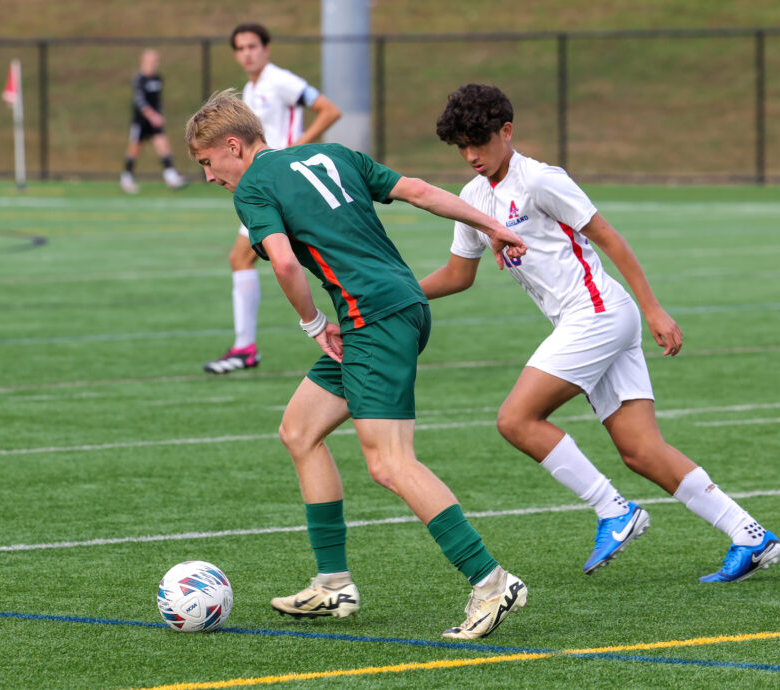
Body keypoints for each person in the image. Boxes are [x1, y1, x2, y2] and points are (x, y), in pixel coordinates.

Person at [185, 90, 528, 639]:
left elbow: (284, 263)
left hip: (372, 319)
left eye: (207, 163)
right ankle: (332, 585)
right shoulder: (332, 153)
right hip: (400, 306)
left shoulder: (253, 186)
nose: (208, 176)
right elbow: (417, 191)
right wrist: (491, 224)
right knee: (299, 430)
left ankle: (491, 582)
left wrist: (312, 324)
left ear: (233, 146)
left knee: (390, 463)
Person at [421, 83, 780, 584]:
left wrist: (654, 310)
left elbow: (608, 237)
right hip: (589, 320)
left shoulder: (541, 181)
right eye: (461, 146)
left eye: (478, 142)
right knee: (640, 450)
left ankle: (613, 510)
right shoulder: (472, 197)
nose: (470, 155)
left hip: (596, 314)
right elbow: (459, 275)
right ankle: (750, 535)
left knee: (516, 419)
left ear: (507, 132)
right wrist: (396, 295)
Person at [203, 23, 342, 374]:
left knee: (254, 258)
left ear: (266, 49)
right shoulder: (250, 90)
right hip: (264, 185)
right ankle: (245, 347)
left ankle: (246, 348)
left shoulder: (280, 80)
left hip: (277, 185)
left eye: (252, 46)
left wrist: (296, 148)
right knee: (243, 259)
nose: (247, 53)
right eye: (240, 48)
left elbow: (328, 110)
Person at [120, 49, 186, 194]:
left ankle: (170, 176)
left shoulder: (157, 78)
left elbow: (157, 101)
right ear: (144, 60)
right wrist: (152, 116)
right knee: (135, 148)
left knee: (163, 144)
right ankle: (127, 177)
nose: (155, 63)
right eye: (152, 60)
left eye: (156, 60)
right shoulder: (139, 79)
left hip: (155, 120)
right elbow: (140, 101)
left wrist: (159, 114)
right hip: (141, 121)